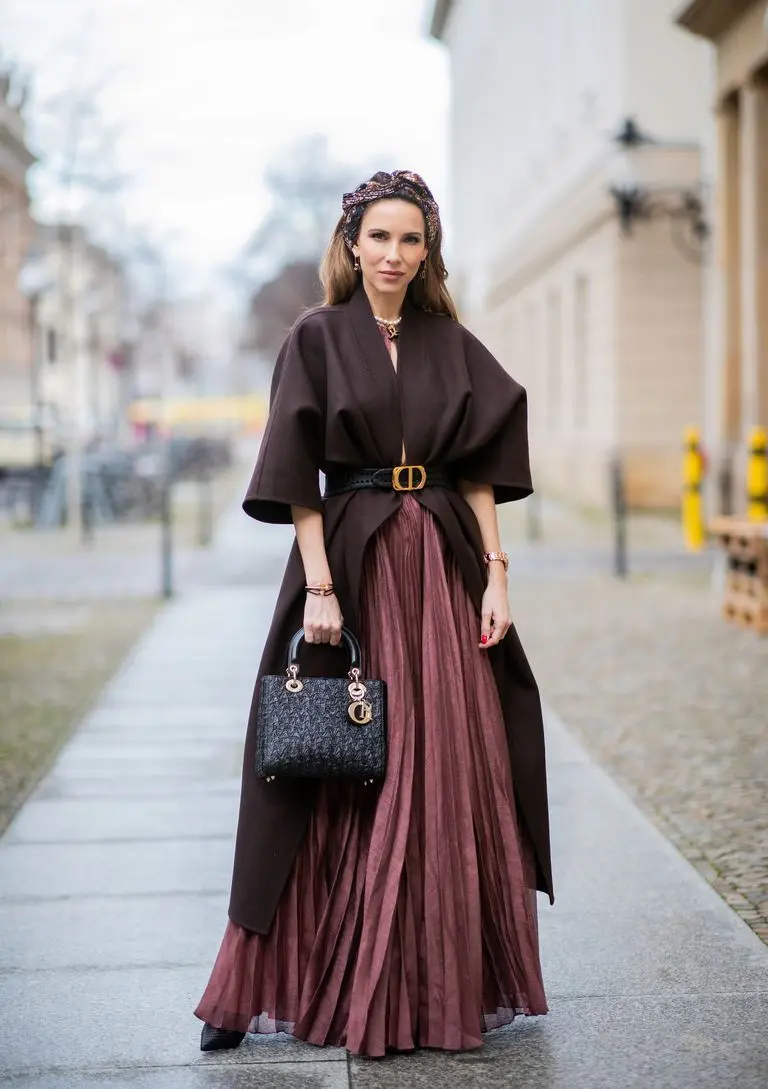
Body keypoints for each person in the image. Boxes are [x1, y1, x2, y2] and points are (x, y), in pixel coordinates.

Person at [194, 170, 552, 1058]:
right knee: (321, 763)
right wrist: (319, 587)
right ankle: (254, 987)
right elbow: (296, 473)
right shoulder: (315, 337)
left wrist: (497, 576)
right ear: (352, 243)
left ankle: (433, 983)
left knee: (448, 767)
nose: (395, 255)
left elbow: (476, 469)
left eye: (412, 240)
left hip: (439, 562)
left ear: (428, 251)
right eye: (380, 237)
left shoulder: (449, 340)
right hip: (350, 559)